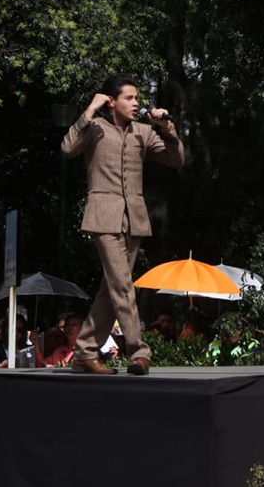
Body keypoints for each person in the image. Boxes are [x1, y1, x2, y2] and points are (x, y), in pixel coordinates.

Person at [61, 74, 185, 375]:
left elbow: (176, 159)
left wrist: (167, 128)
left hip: (135, 218)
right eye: (129, 98)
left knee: (111, 289)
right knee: (122, 284)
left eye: (137, 98)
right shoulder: (95, 127)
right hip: (103, 215)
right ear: (111, 101)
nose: (136, 103)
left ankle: (85, 352)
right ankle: (139, 351)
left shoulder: (144, 131)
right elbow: (67, 147)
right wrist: (90, 109)